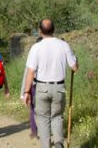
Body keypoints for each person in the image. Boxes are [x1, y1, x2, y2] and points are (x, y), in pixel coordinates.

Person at [23, 19, 78, 148]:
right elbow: (74, 67)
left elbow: (30, 72)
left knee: (43, 120)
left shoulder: (36, 47)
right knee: (57, 117)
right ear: (54, 29)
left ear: (40, 31)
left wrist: (26, 92)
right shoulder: (64, 45)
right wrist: (75, 58)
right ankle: (59, 145)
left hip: (41, 88)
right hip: (59, 87)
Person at [20, 36, 42, 139]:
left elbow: (27, 74)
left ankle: (34, 131)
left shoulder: (34, 55)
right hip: (46, 85)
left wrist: (24, 92)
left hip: (35, 85)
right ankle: (39, 131)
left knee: (34, 109)